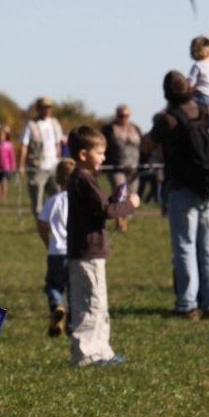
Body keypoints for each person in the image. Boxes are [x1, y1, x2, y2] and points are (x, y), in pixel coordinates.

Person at [144, 71, 209, 320]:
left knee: (185, 248)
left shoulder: (168, 120)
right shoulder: (205, 111)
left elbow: (146, 145)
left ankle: (187, 304)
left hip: (182, 189)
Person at [65, 126, 139, 367]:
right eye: (100, 152)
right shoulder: (83, 179)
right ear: (84, 155)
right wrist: (130, 204)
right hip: (87, 252)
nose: (104, 158)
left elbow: (101, 205)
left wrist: (115, 198)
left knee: (99, 304)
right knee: (90, 305)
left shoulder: (85, 179)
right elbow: (106, 210)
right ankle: (86, 354)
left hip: (89, 252)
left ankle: (102, 351)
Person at [37, 158, 75, 338]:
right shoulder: (80, 201)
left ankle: (57, 305)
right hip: (76, 252)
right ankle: (72, 322)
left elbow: (42, 223)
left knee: (53, 285)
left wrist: (47, 241)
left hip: (55, 252)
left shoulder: (53, 200)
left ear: (57, 180)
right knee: (74, 288)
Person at [18, 97, 64, 218]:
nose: (47, 110)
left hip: (54, 166)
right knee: (38, 202)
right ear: (38, 109)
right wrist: (21, 166)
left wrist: (61, 163)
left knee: (57, 197)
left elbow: (58, 144)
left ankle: (55, 223)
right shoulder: (30, 125)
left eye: (49, 107)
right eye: (45, 107)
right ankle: (41, 226)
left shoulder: (54, 123)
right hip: (37, 167)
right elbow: (24, 146)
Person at [101, 104, 142, 232]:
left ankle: (125, 220)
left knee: (132, 195)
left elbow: (143, 146)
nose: (124, 118)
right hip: (116, 167)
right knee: (121, 193)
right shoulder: (109, 129)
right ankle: (120, 222)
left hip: (134, 167)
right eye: (121, 116)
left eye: (126, 116)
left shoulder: (135, 128)